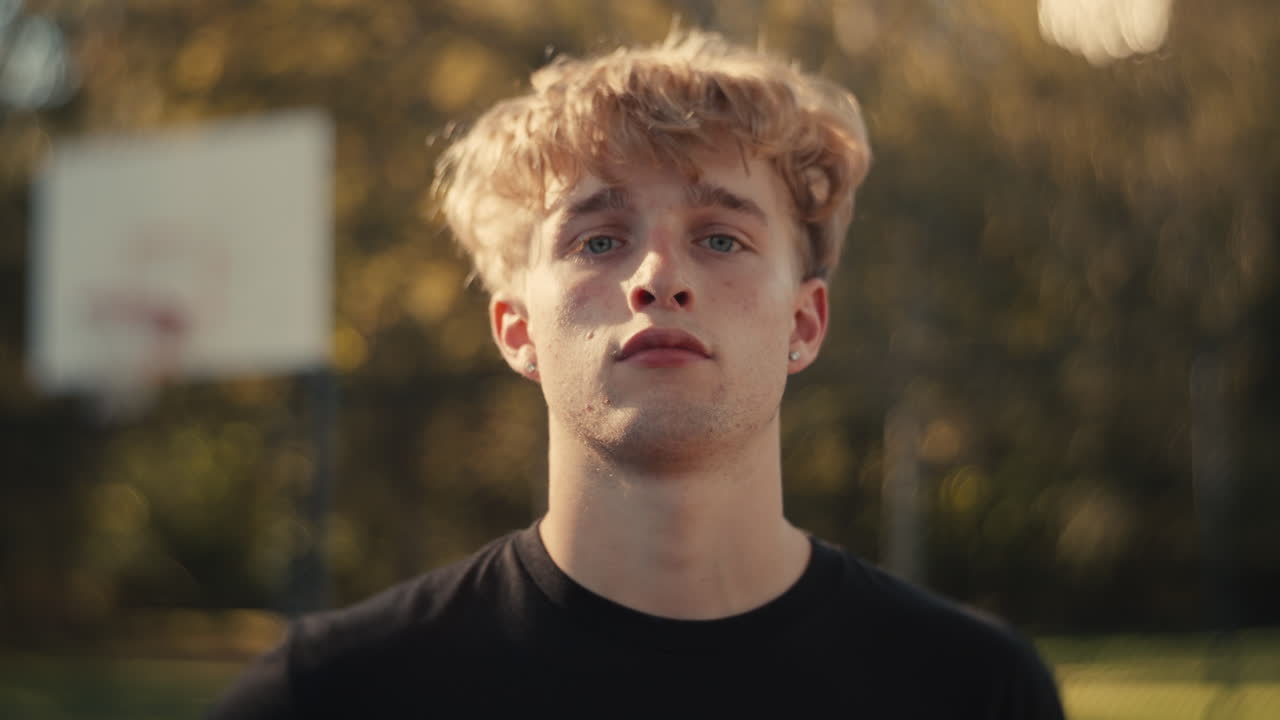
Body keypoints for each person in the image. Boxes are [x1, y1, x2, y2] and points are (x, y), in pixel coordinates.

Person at [211, 30, 1065, 718]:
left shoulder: (974, 692)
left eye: (721, 237)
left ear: (804, 322)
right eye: (598, 239)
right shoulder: (329, 696)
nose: (658, 276)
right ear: (517, 330)